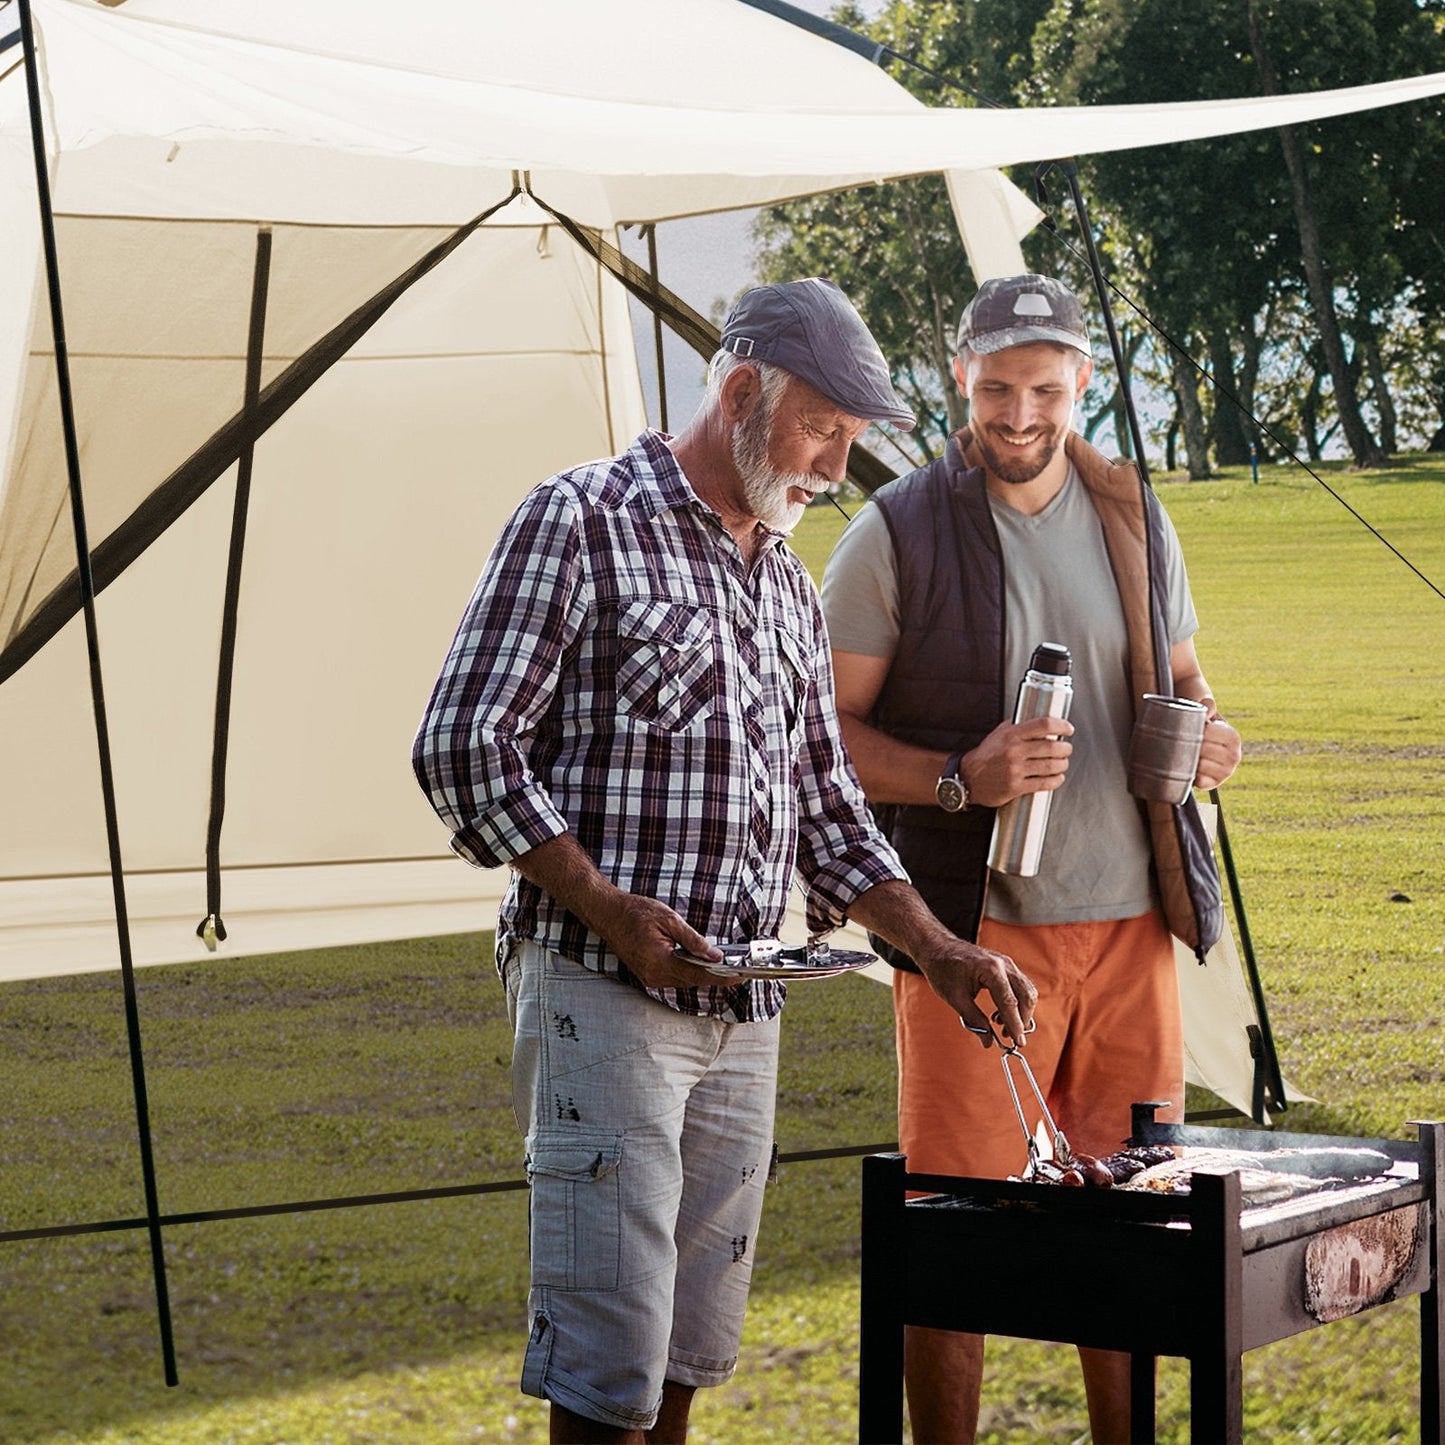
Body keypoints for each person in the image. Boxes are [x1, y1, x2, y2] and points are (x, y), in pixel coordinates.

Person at [412, 277, 1038, 1445]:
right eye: (820, 429)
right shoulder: (581, 517)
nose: (832, 465)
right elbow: (461, 742)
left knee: (690, 1349)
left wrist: (944, 952)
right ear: (741, 390)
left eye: (851, 441)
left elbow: (828, 810)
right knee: (608, 1365)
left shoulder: (791, 589)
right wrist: (602, 904)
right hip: (605, 992)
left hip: (748, 1009)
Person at [820, 273, 1243, 1444]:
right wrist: (963, 773)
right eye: (996, 387)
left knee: (1135, 1235)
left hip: (1130, 930)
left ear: (1081, 385)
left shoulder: (1132, 510)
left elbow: (1189, 681)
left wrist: (1212, 734)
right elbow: (821, 745)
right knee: (953, 1232)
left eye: (1043, 390)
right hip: (972, 943)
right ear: (960, 375)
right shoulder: (894, 529)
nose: (1017, 416)